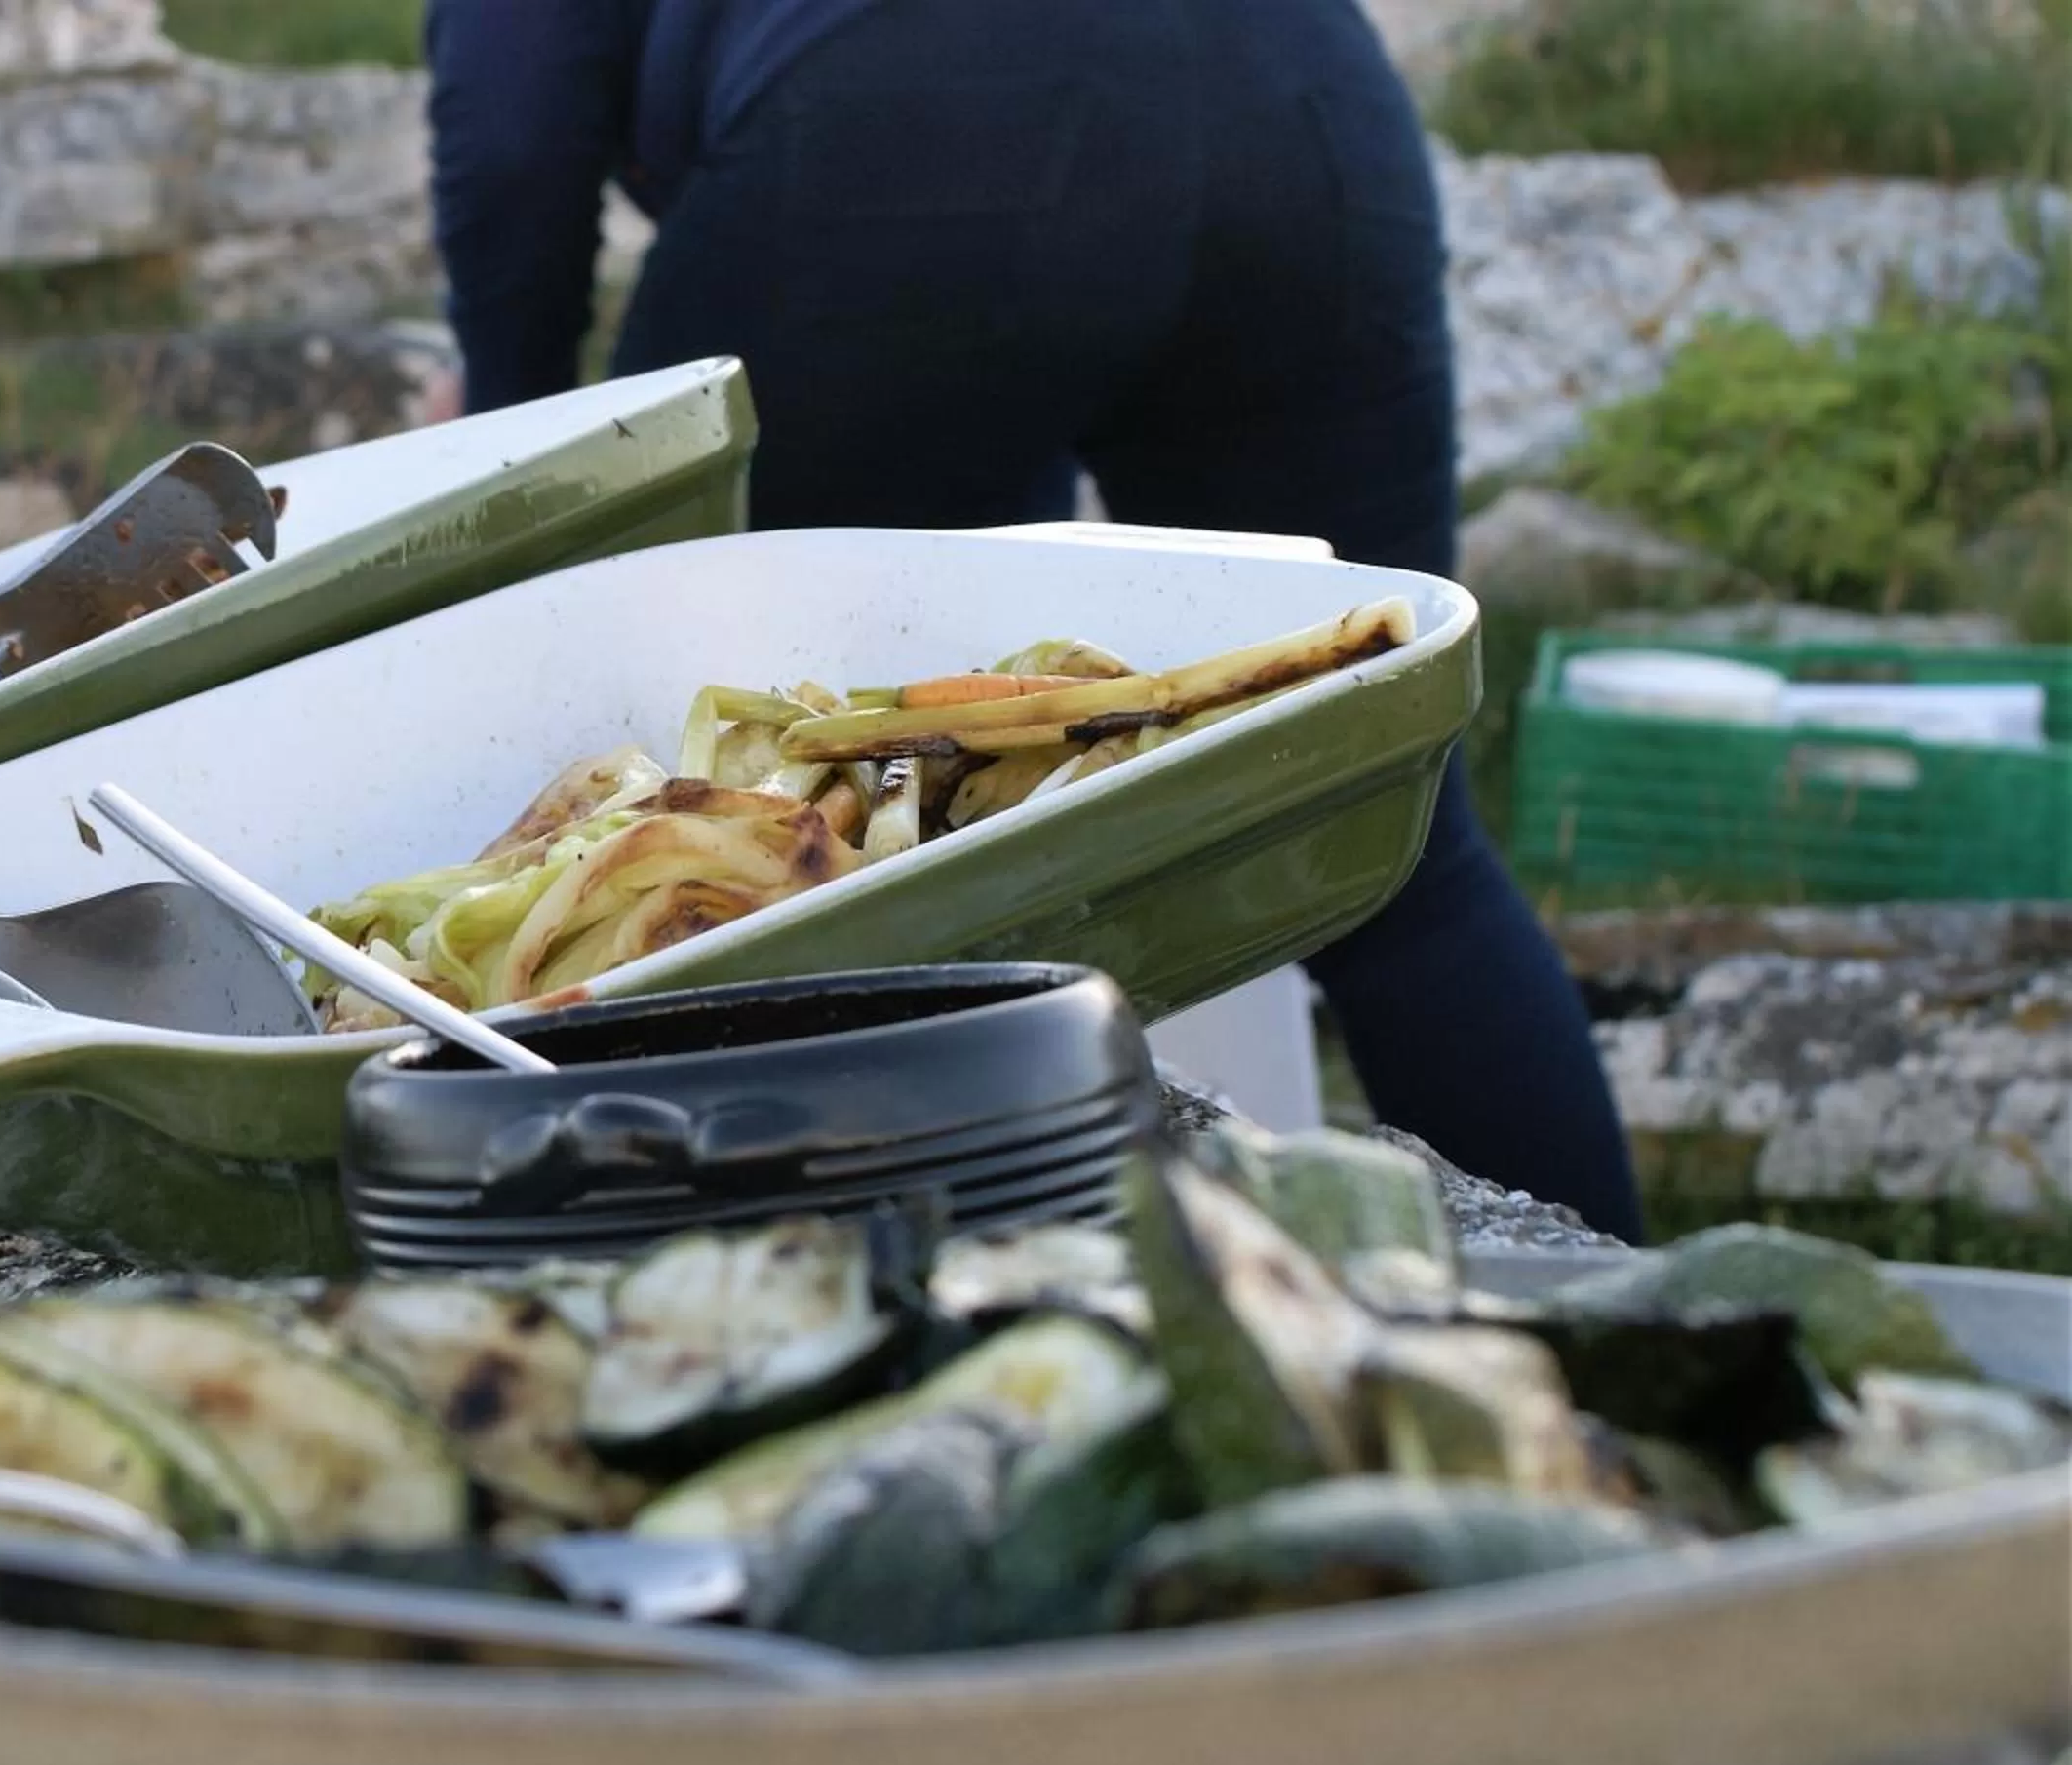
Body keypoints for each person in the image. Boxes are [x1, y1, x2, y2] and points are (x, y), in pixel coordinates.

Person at [420, 0, 1646, 1243]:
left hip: (898, 126)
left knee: (739, 824)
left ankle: (771, 1307)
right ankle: (1641, 1342)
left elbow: (513, 122)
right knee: (1396, 818)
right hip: (1295, 101)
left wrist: (524, 474)